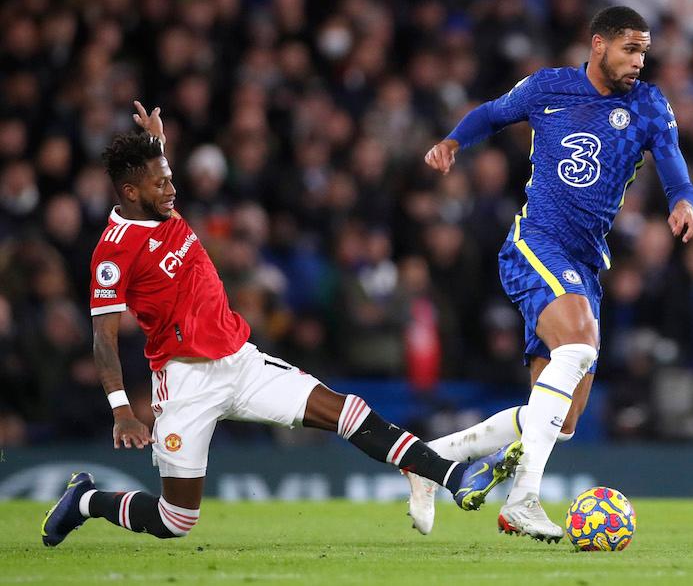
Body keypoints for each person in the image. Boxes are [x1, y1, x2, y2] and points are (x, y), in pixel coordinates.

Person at [41, 102, 522, 547]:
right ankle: (86, 500)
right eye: (161, 184)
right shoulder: (113, 253)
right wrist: (123, 411)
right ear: (130, 192)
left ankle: (452, 476)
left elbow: (151, 170)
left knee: (345, 410)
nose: (172, 190)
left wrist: (156, 143)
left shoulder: (157, 202)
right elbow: (103, 339)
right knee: (176, 520)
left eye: (169, 180)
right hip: (185, 380)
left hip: (240, 362)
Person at [411, 6, 693, 542]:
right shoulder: (549, 87)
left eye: (644, 51)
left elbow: (674, 166)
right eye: (630, 49)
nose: (639, 61)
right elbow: (491, 114)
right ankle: (522, 501)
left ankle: (429, 460)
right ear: (599, 44)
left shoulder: (648, 105)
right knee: (581, 345)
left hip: (585, 263)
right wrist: (452, 141)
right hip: (536, 243)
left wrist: (684, 201)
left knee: (560, 419)